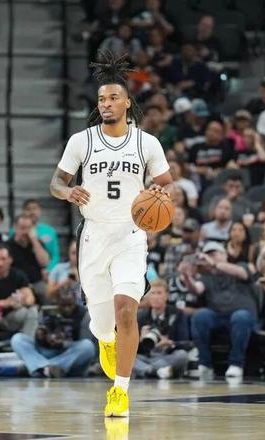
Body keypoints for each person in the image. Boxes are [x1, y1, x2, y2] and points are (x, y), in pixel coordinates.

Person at [49, 51, 173, 417]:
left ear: (127, 102)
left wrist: (161, 192)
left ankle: (120, 391)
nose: (106, 103)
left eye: (113, 97)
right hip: (93, 237)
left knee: (126, 310)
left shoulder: (146, 143)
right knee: (103, 325)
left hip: (131, 235)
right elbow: (56, 182)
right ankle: (106, 340)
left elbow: (167, 183)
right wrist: (67, 192)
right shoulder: (81, 141)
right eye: (102, 98)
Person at [187, 241, 258, 383]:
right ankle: (205, 364)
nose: (210, 258)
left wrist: (213, 264)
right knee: (200, 316)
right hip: (218, 316)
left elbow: (243, 274)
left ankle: (236, 364)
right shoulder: (207, 276)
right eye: (207, 255)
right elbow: (196, 289)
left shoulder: (240, 266)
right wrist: (186, 276)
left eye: (214, 254)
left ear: (225, 255)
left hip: (242, 315)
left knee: (240, 316)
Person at [10, 287, 95, 378]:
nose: (67, 309)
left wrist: (63, 343)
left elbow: (83, 341)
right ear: (57, 302)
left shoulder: (84, 315)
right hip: (45, 351)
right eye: (63, 305)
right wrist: (40, 337)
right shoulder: (45, 311)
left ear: (75, 301)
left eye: (70, 305)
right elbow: (36, 337)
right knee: (17, 339)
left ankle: (40, 367)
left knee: (88, 346)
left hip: (68, 355)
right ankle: (45, 368)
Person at [0, 245, 39, 353]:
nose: (0, 263)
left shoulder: (19, 275)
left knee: (32, 311)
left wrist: (21, 300)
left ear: (10, 260)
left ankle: (26, 351)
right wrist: (6, 303)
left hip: (11, 316)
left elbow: (30, 299)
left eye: (3, 259)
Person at [134, 279, 189, 379]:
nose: (156, 297)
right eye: (153, 293)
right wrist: (141, 340)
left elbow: (186, 342)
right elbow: (134, 349)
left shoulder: (177, 314)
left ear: (166, 295)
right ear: (148, 297)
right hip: (147, 357)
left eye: (159, 293)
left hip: (167, 356)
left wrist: (170, 343)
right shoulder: (141, 316)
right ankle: (157, 371)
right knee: (126, 357)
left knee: (182, 355)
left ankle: (148, 371)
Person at [6, 214, 50, 302]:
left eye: (29, 228)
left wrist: (34, 241)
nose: (26, 232)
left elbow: (44, 262)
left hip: (36, 282)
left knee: (46, 293)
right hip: (15, 283)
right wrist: (25, 286)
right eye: (22, 228)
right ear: (15, 228)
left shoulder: (37, 243)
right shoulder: (7, 246)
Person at [21, 199, 60, 271]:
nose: (32, 212)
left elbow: (55, 256)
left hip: (45, 270)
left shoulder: (49, 231)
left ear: (39, 211)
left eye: (34, 208)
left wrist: (49, 270)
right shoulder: (16, 231)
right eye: (28, 209)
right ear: (23, 212)